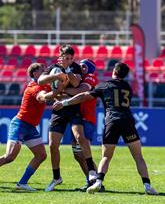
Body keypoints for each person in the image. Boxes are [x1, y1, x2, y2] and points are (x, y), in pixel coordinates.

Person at [52, 62, 158, 195]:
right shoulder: (128, 87)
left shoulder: (105, 85)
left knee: (106, 157)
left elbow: (84, 96)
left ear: (114, 71)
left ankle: (98, 181)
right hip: (127, 121)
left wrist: (64, 102)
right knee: (138, 157)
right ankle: (147, 185)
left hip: (112, 121)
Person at [0, 63, 56, 191]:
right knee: (10, 156)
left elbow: (53, 92)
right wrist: (57, 90)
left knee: (41, 155)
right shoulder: (33, 87)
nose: (45, 73)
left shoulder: (43, 85)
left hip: (30, 127)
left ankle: (22, 183)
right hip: (20, 124)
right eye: (42, 71)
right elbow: (43, 97)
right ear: (34, 74)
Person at [37, 45, 97, 192]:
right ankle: (56, 177)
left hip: (72, 108)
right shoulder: (53, 67)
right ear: (60, 55)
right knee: (52, 145)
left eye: (71, 58)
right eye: (66, 58)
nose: (69, 60)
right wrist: (56, 76)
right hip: (58, 109)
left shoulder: (75, 67)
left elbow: (76, 83)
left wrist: (68, 70)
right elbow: (40, 80)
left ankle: (91, 171)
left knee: (79, 137)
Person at [62, 59, 102, 191]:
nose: (81, 68)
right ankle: (91, 182)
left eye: (84, 66)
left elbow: (82, 91)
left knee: (83, 151)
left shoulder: (90, 77)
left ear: (90, 68)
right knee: (78, 154)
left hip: (87, 118)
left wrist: (63, 90)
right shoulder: (78, 79)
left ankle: (97, 183)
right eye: (80, 66)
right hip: (76, 118)